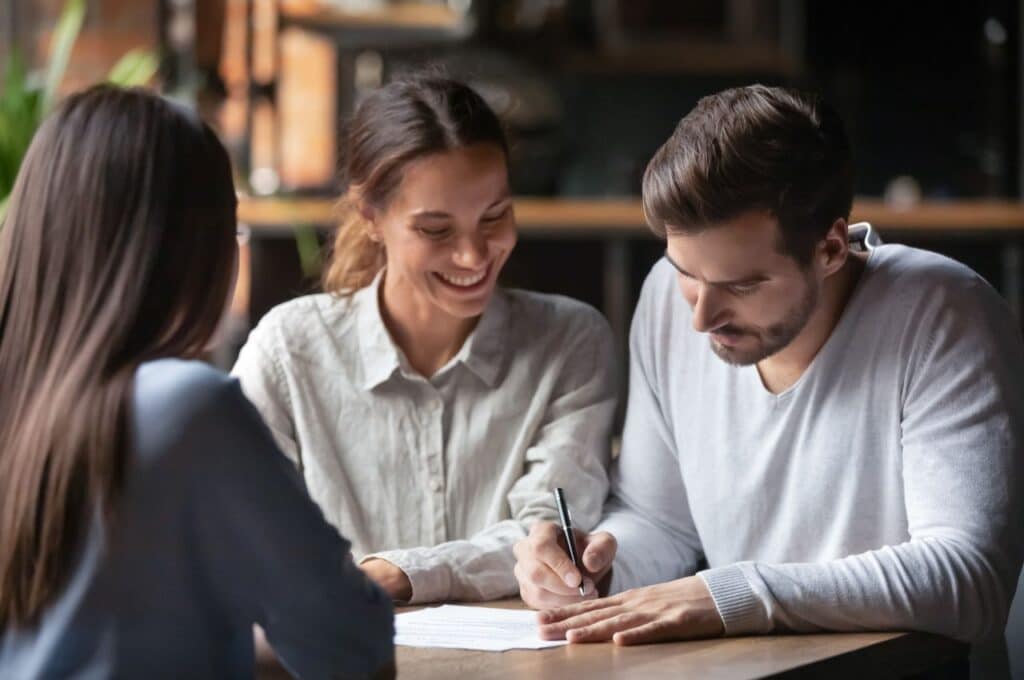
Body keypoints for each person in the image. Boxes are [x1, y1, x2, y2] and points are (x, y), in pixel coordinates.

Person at [513, 85, 1024, 653]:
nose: (702, 317)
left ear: (831, 249)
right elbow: (659, 521)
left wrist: (732, 594)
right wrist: (599, 567)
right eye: (686, 271)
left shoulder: (943, 313)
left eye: (743, 284)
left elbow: (968, 578)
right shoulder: (666, 297)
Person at [0, 85, 394, 678]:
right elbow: (351, 643)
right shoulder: (185, 408)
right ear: (187, 251)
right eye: (230, 230)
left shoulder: (25, 403)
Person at [232, 75, 616, 604]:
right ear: (370, 216)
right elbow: (244, 539)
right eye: (436, 230)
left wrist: (396, 574)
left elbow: (547, 543)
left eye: (495, 217)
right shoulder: (287, 352)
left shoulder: (571, 342)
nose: (473, 256)